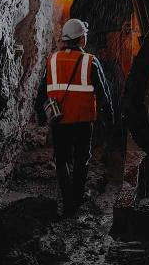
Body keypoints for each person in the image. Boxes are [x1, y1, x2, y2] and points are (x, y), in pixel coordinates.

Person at [35, 18, 113, 216]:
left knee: (61, 159)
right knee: (81, 159)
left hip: (59, 120)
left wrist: (41, 116)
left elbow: (41, 91)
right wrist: (110, 120)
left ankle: (67, 199)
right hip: (82, 120)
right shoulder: (90, 61)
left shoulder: (52, 60)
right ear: (80, 39)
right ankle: (77, 198)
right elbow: (104, 95)